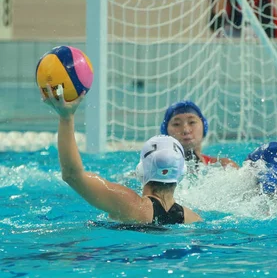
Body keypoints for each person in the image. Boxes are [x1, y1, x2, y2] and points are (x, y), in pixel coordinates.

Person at [42, 84, 201, 225]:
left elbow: (72, 175)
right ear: (182, 171)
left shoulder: (131, 206)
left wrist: (66, 117)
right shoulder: (192, 218)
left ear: (140, 171)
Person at [161, 100, 239, 168]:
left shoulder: (224, 166)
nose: (186, 130)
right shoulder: (158, 168)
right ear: (166, 132)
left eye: (192, 122)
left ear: (204, 126)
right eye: (176, 124)